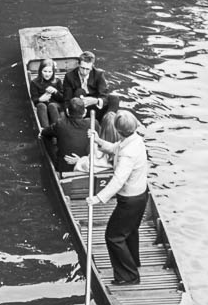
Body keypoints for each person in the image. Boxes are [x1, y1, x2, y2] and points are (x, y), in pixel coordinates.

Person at [87, 109, 150, 285]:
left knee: (113, 236)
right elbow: (116, 147)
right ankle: (133, 263)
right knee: (129, 232)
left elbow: (118, 180)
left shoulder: (128, 153)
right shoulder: (135, 140)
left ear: (119, 131)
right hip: (140, 196)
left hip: (130, 200)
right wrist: (98, 141)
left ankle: (129, 276)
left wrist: (98, 198)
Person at [38, 103, 94, 175]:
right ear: (85, 112)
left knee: (44, 137)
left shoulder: (61, 124)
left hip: (65, 167)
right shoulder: (93, 123)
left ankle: (51, 165)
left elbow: (44, 132)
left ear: (67, 111)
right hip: (86, 164)